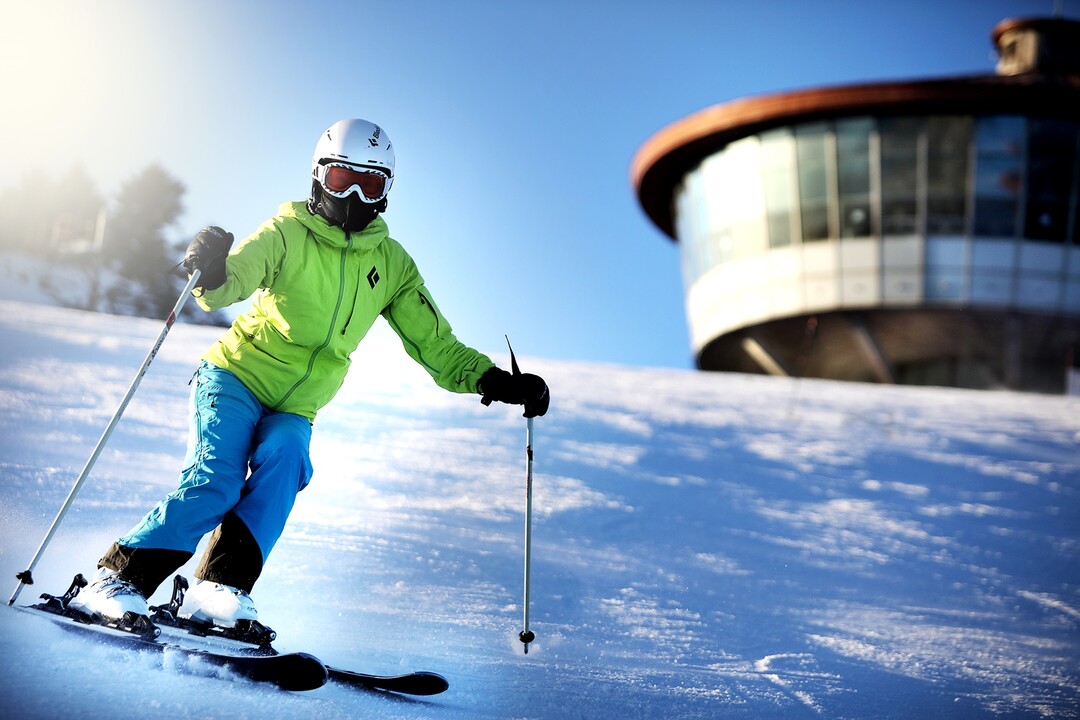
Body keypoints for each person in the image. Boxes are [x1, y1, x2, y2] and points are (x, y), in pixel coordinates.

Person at [68, 119, 549, 629]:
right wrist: (213, 268)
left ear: (386, 192)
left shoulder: (393, 265)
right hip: (235, 378)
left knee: (288, 459)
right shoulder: (286, 233)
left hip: (296, 406)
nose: (354, 196)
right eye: (343, 179)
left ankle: (220, 589)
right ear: (319, 176)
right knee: (217, 482)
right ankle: (115, 580)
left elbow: (435, 343)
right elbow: (232, 281)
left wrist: (493, 380)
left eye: (370, 184)